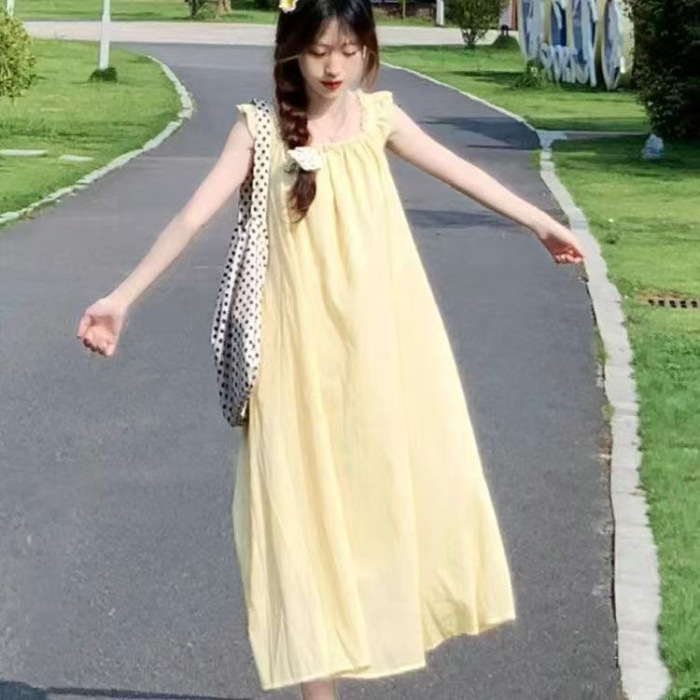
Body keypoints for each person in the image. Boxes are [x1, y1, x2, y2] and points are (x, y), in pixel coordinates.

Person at [77, 0, 585, 697]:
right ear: (292, 50)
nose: (335, 66)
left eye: (349, 49)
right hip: (292, 352)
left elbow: (460, 173)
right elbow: (192, 217)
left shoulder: (380, 118)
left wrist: (540, 223)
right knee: (300, 514)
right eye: (319, 51)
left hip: (384, 342)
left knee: (391, 489)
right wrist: (122, 297)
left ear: (368, 48)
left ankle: (383, 624)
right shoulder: (259, 129)